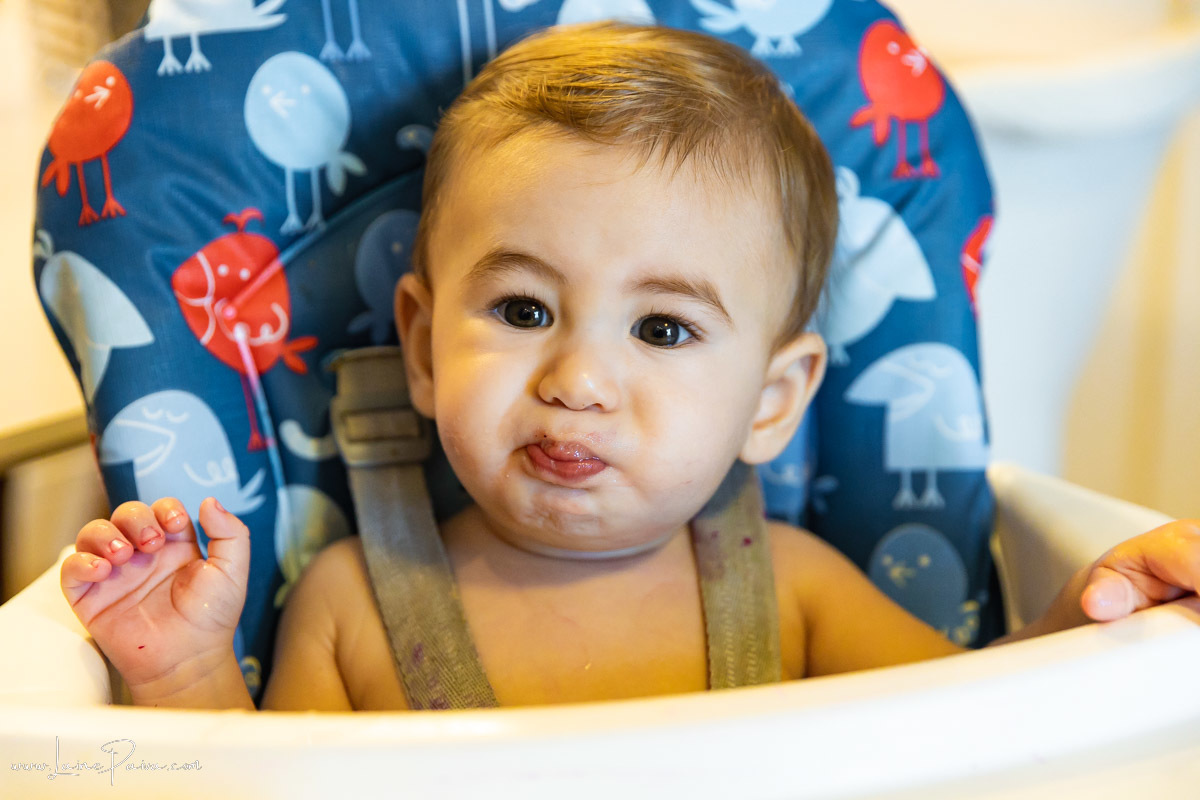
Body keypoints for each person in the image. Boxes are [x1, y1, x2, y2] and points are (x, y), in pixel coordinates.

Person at [60, 23, 1200, 711]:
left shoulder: (794, 585)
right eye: (520, 307)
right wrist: (180, 676)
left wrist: (1102, 614)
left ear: (772, 401)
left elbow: (983, 726)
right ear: (417, 343)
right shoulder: (351, 605)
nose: (578, 378)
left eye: (661, 330)